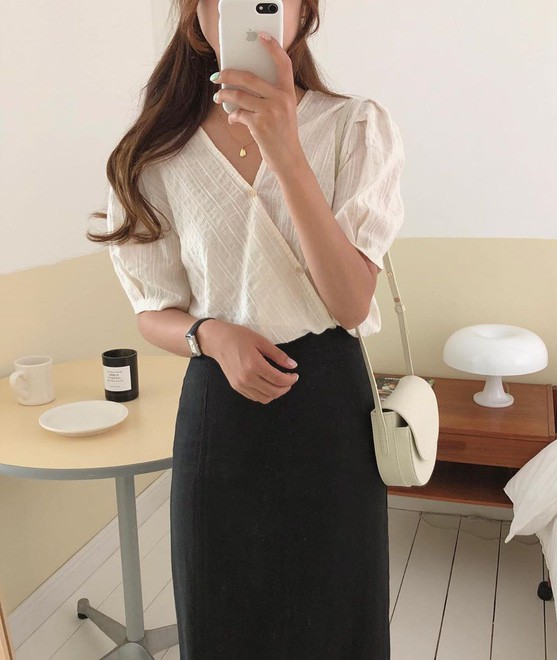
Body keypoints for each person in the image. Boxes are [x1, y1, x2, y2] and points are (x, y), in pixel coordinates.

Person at [87, 1, 405, 657]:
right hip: (220, 408)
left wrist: (285, 149)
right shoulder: (154, 154)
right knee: (222, 618)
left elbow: (350, 303)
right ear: (195, 15)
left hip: (329, 406)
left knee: (336, 618)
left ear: (304, 12)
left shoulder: (354, 127)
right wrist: (210, 336)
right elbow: (152, 310)